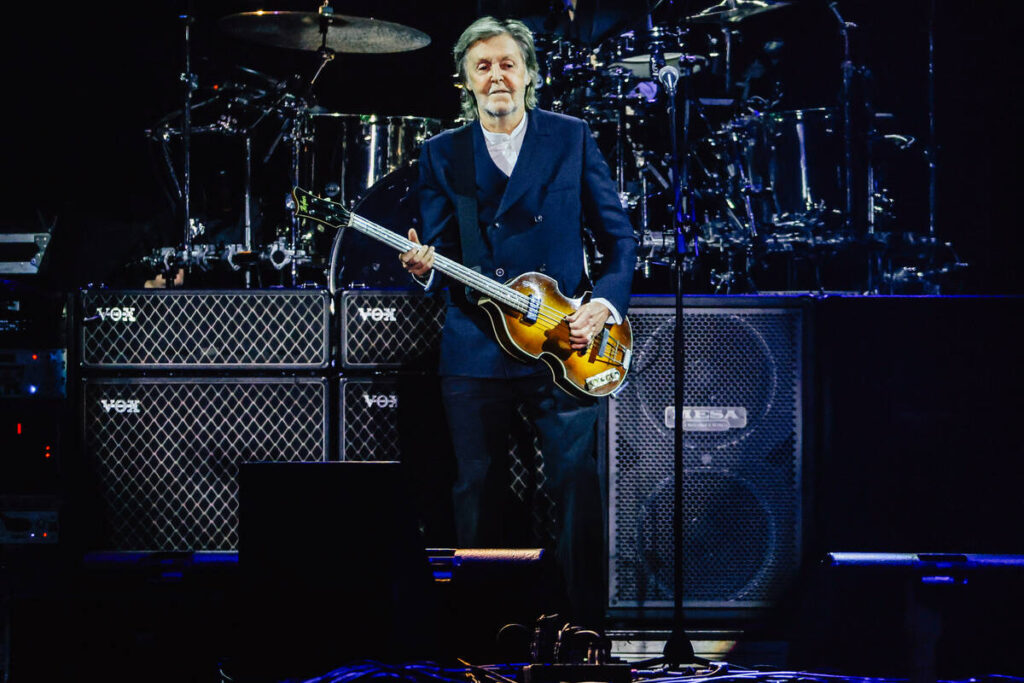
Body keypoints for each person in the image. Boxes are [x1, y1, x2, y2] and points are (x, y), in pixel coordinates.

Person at [399, 15, 637, 628]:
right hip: (475, 345)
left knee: (576, 485)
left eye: (508, 63)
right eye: (483, 66)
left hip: (565, 342)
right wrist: (422, 266)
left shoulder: (571, 137)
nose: (497, 75)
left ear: (530, 74)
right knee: (475, 490)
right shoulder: (440, 153)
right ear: (465, 82)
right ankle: (483, 632)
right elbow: (438, 251)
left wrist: (601, 306)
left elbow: (619, 240)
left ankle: (584, 628)